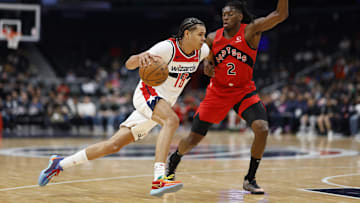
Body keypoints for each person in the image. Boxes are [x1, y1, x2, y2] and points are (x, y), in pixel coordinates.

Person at [38, 17, 210, 197]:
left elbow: (212, 52)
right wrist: (140, 57)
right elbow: (129, 64)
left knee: (113, 145)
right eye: (200, 34)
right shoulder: (167, 48)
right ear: (187, 34)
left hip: (164, 103)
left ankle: (59, 164)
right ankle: (159, 179)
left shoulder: (202, 50)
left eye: (205, 35)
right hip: (148, 94)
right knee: (172, 120)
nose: (203, 38)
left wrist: (210, 65)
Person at [166, 0, 288, 195]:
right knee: (193, 138)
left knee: (262, 128)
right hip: (218, 92)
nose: (226, 17)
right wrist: (207, 62)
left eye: (230, 14)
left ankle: (250, 179)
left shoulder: (251, 30)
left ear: (240, 16)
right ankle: (174, 159)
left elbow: (280, 15)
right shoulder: (213, 38)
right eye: (224, 14)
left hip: (243, 91)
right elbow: (205, 55)